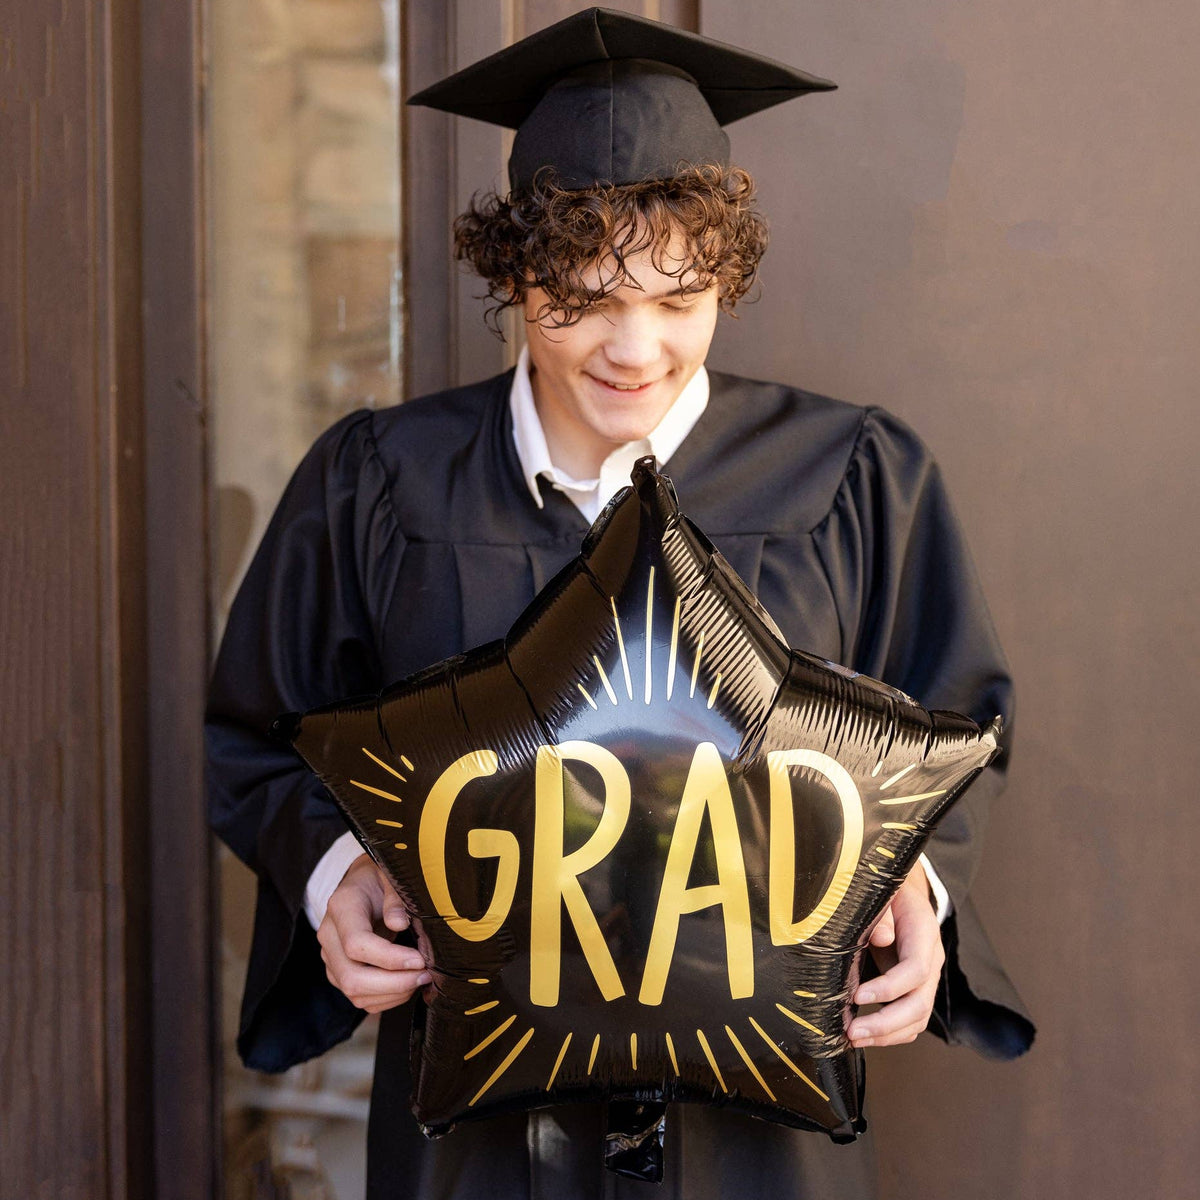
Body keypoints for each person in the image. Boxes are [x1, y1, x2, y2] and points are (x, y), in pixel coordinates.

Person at [206, 9, 1033, 1199]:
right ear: (514, 272)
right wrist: (336, 873)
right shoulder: (380, 485)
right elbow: (258, 733)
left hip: (758, 1145)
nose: (634, 349)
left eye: (679, 298)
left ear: (728, 277)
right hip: (476, 1142)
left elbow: (959, 728)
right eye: (583, 297)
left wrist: (916, 885)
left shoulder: (852, 478)